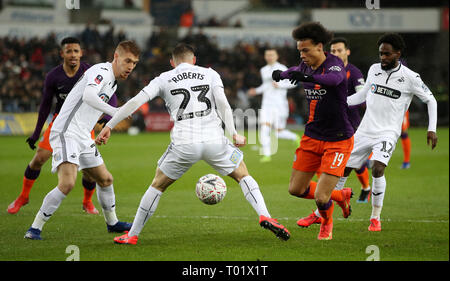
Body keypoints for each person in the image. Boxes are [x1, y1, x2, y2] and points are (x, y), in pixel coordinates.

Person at [95, 43, 290, 245]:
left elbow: (135, 102)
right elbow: (223, 103)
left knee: (157, 185)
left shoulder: (163, 78)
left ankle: (133, 235)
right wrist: (233, 133)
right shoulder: (210, 74)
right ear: (194, 59)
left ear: (172, 63)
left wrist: (110, 125)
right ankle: (265, 215)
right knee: (243, 174)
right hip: (215, 139)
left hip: (184, 142)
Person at [24, 40, 140, 240]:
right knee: (68, 183)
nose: (130, 66)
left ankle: (112, 223)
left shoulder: (112, 81)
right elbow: (88, 96)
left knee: (105, 179)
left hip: (83, 135)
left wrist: (107, 127)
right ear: (116, 57)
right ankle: (34, 228)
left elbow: (92, 108)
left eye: (135, 63)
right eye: (128, 60)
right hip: (66, 132)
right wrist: (116, 111)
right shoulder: (101, 71)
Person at [337, 33, 438, 232]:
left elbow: (431, 100)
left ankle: (375, 218)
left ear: (397, 54)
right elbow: (363, 95)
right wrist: (340, 102)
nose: (382, 57)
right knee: (342, 170)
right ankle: (326, 210)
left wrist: (432, 129)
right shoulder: (374, 69)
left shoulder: (411, 77)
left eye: (387, 54)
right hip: (365, 130)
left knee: (377, 168)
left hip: (387, 132)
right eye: (381, 54)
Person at [7, 37, 117, 215]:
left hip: (83, 124)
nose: (73, 55)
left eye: (76, 51)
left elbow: (110, 91)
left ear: (81, 53)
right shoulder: (53, 76)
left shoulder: (90, 71)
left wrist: (106, 117)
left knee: (89, 171)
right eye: (69, 51)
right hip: (61, 122)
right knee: (39, 159)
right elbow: (44, 105)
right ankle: (23, 196)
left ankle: (87, 202)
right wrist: (36, 133)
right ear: (62, 54)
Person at [272, 22, 354, 240]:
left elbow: (333, 80)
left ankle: (326, 222)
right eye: (300, 51)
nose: (302, 55)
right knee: (295, 190)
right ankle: (341, 195)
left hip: (338, 139)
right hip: (312, 136)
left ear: (319, 46)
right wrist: (281, 74)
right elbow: (295, 71)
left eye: (305, 50)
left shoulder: (334, 65)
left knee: (320, 196)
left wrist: (305, 78)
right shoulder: (304, 65)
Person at [296, 37, 370, 227]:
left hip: (348, 128)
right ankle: (336, 199)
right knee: (331, 178)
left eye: (339, 51)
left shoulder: (353, 73)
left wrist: (342, 100)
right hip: (322, 131)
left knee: (341, 172)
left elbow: (362, 98)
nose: (336, 54)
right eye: (333, 51)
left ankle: (323, 215)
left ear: (347, 52)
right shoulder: (324, 68)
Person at [247, 48, 299, 163]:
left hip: (280, 104)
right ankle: (266, 155)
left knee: (278, 132)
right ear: (265, 57)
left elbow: (293, 83)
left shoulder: (282, 68)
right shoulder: (264, 70)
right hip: (267, 104)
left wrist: (280, 86)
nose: (269, 57)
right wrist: (256, 91)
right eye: (267, 55)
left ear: (277, 56)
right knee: (264, 128)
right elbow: (265, 86)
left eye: (272, 55)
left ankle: (295, 138)